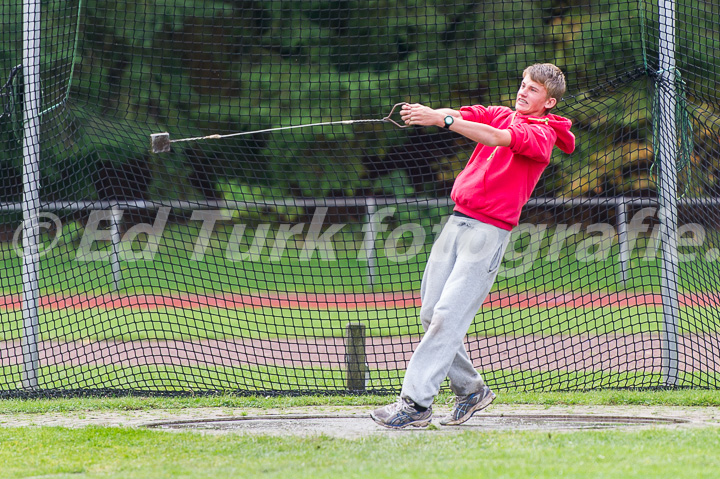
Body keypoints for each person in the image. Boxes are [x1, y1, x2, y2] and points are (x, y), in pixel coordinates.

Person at [370, 63, 576, 428]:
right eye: (523, 85)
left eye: (533, 89)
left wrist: (442, 122)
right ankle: (471, 390)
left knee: (448, 316)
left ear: (550, 101)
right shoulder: (502, 114)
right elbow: (464, 115)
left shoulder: (541, 134)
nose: (523, 92)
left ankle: (415, 403)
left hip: (488, 233)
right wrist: (433, 115)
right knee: (432, 313)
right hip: (457, 222)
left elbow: (494, 137)